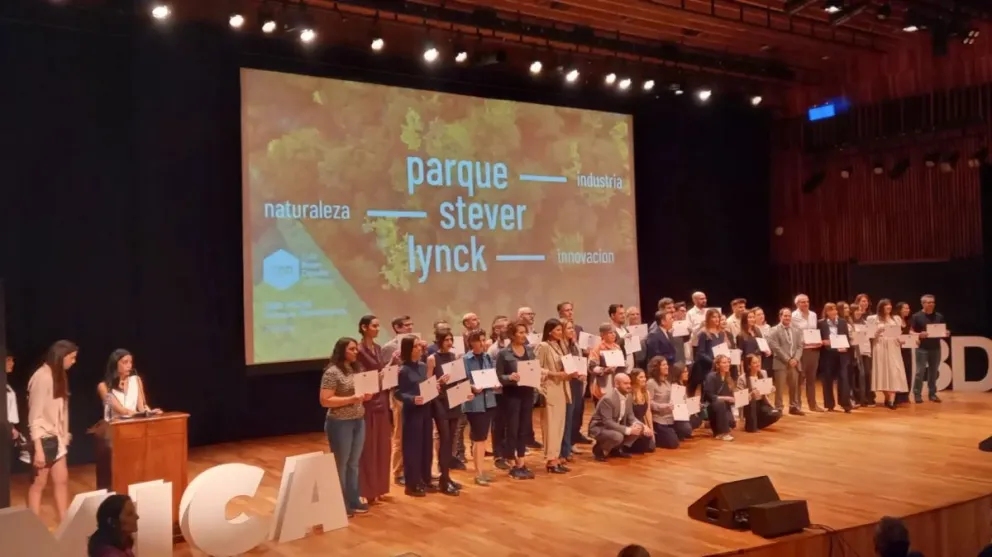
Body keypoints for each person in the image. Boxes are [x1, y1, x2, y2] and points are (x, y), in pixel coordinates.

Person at [319, 337, 373, 516]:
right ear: (342, 351)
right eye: (352, 349)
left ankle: (353, 499)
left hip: (358, 419)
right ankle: (340, 503)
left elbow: (361, 392)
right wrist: (351, 399)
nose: (356, 352)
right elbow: (325, 400)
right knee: (340, 464)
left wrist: (366, 396)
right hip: (340, 422)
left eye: (356, 349)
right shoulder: (332, 372)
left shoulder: (356, 368)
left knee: (353, 463)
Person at [27, 339, 78, 522]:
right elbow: (34, 417)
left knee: (62, 480)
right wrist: (38, 449)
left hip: (56, 438)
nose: (74, 362)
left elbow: (63, 408)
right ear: (61, 356)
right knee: (39, 484)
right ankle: (33, 528)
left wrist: (64, 434)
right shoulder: (42, 377)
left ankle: (65, 524)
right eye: (72, 358)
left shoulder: (59, 376)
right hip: (43, 438)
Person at [95, 349, 159, 489]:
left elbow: (142, 406)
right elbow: (119, 409)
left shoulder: (136, 380)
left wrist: (150, 412)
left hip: (134, 430)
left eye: (130, 362)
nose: (129, 366)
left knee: (136, 469)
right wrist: (136, 414)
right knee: (116, 474)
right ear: (115, 365)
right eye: (125, 362)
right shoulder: (103, 386)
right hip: (113, 434)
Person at [495, 320, 537, 479]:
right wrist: (509, 377)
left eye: (524, 332)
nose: (523, 335)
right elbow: (498, 376)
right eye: (519, 332)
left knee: (523, 428)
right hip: (512, 395)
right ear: (512, 335)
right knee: (512, 428)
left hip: (527, 392)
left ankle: (521, 461)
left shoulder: (529, 351)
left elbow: (533, 368)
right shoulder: (504, 354)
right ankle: (512, 462)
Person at [355, 315, 391, 505]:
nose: (377, 328)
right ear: (364, 327)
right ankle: (366, 489)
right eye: (374, 326)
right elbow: (360, 376)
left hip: (382, 398)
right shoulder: (359, 351)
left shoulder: (378, 349)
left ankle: (379, 488)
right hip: (367, 401)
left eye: (378, 325)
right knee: (368, 447)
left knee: (382, 445)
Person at [426, 329, 464, 496]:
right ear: (439, 341)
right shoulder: (432, 359)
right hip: (440, 402)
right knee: (445, 438)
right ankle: (443, 478)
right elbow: (427, 383)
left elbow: (458, 379)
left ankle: (447, 477)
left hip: (453, 400)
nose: (449, 342)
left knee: (452, 439)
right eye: (446, 339)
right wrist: (438, 382)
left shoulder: (454, 357)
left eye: (451, 339)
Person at [396, 337, 433, 497]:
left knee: (426, 445)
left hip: (425, 409)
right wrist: (411, 399)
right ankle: (412, 483)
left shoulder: (423, 366)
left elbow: (425, 385)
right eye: (416, 346)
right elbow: (397, 392)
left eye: (420, 345)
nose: (420, 348)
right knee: (413, 448)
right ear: (408, 349)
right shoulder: (402, 370)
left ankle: (425, 479)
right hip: (412, 412)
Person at [535, 318, 573, 474]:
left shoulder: (560, 345)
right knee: (551, 426)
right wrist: (555, 373)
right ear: (549, 331)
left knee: (559, 426)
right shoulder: (543, 346)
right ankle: (550, 460)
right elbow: (537, 368)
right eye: (557, 330)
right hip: (550, 389)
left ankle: (556, 458)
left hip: (562, 389)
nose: (560, 332)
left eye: (560, 330)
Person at [380, 315, 414, 486]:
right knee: (400, 434)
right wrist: (396, 362)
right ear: (397, 328)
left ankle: (412, 468)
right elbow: (387, 376)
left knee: (414, 434)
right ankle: (397, 471)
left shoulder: (415, 343)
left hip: (415, 393)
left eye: (411, 325)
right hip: (399, 394)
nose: (410, 327)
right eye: (406, 325)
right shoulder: (389, 348)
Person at [588, 372, 652, 461]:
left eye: (629, 383)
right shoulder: (608, 399)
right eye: (625, 383)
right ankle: (600, 450)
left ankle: (616, 449)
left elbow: (631, 417)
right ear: (617, 384)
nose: (629, 386)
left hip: (616, 425)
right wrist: (628, 430)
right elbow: (607, 422)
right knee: (618, 436)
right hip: (600, 427)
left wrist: (644, 426)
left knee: (639, 428)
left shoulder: (628, 396)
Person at [462, 329, 497, 486]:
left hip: (489, 400)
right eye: (479, 341)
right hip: (474, 403)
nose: (483, 344)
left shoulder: (487, 357)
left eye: (484, 340)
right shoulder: (464, 360)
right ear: (471, 343)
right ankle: (478, 473)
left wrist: (495, 382)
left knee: (483, 438)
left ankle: (481, 470)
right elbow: (460, 382)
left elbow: (490, 375)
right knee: (478, 438)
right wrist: (472, 387)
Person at [871, 299, 909, 409]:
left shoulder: (896, 318)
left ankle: (891, 399)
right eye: (886, 305)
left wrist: (901, 339)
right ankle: (887, 397)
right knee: (882, 371)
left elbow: (898, 333)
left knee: (894, 371)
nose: (889, 307)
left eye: (890, 305)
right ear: (881, 307)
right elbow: (870, 335)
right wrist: (878, 330)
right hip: (880, 345)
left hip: (893, 346)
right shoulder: (874, 318)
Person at [910, 294, 946, 404]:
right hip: (922, 348)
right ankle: (917, 394)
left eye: (932, 302)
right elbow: (910, 331)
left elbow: (941, 330)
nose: (931, 304)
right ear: (923, 303)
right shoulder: (916, 316)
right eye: (928, 302)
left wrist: (946, 332)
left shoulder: (939, 316)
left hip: (935, 348)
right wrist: (919, 334)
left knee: (933, 372)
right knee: (920, 372)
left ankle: (932, 394)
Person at [646, 356, 689, 449]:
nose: (667, 367)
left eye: (667, 364)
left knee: (687, 429)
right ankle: (656, 436)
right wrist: (663, 406)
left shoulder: (667, 382)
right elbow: (649, 403)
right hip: (659, 419)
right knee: (673, 444)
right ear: (657, 367)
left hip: (671, 417)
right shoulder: (651, 383)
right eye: (664, 365)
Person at [767, 308, 803, 415]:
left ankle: (794, 406)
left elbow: (800, 346)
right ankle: (778, 407)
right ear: (780, 317)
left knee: (794, 386)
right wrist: (788, 359)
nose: (787, 318)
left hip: (794, 363)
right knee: (780, 387)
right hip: (781, 362)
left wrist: (796, 359)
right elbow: (775, 347)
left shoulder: (796, 330)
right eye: (785, 316)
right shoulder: (773, 330)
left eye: (789, 316)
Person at [817, 303, 852, 413]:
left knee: (843, 378)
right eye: (830, 310)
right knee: (827, 379)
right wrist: (823, 342)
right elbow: (818, 338)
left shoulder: (842, 322)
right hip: (827, 354)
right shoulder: (821, 323)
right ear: (826, 312)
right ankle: (829, 404)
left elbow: (846, 336)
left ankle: (845, 404)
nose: (833, 312)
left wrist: (846, 346)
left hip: (841, 354)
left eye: (834, 310)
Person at [792, 294, 822, 412]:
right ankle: (796, 405)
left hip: (813, 349)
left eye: (807, 301)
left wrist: (818, 341)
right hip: (801, 350)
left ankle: (813, 405)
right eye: (802, 302)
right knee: (799, 379)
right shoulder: (794, 316)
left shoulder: (813, 315)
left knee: (811, 378)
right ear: (797, 304)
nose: (805, 304)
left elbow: (814, 330)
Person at [737, 354, 781, 431]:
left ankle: (754, 424)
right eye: (755, 363)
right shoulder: (742, 378)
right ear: (749, 366)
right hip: (749, 405)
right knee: (752, 402)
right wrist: (751, 394)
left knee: (777, 413)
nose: (758, 364)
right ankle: (752, 425)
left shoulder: (763, 373)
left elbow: (766, 392)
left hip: (762, 402)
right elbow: (740, 399)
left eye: (758, 362)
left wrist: (771, 389)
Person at [691, 309, 727, 396]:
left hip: (720, 367)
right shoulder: (704, 333)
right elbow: (700, 353)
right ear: (708, 318)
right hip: (707, 368)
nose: (717, 319)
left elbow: (723, 349)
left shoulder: (722, 333)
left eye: (718, 317)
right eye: (714, 317)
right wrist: (713, 361)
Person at [702, 354, 736, 441]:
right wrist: (726, 398)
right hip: (713, 406)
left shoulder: (728, 378)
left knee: (731, 423)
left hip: (725, 407)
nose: (727, 364)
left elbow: (731, 395)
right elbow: (710, 396)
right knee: (720, 403)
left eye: (728, 362)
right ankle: (723, 433)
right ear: (717, 365)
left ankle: (711, 424)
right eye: (724, 363)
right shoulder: (711, 377)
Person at [588, 322, 624, 402]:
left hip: (615, 385)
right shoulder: (597, 348)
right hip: (601, 387)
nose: (613, 335)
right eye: (610, 333)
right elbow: (591, 367)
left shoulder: (617, 347)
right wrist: (605, 370)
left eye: (614, 332)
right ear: (602, 335)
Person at [6, 353, 30, 465]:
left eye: (12, 360)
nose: (12, 363)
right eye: (8, 360)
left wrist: (12, 427)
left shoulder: (6, 384)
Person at [627, 369, 656, 453]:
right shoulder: (629, 394)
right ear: (634, 379)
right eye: (641, 377)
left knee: (651, 447)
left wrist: (652, 431)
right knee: (641, 448)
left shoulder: (646, 393)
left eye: (644, 377)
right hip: (632, 424)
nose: (644, 379)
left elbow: (648, 412)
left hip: (643, 424)